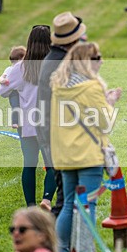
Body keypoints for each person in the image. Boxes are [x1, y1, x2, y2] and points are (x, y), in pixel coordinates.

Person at [51, 42, 121, 252]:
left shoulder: (60, 86)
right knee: (88, 207)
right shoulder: (90, 87)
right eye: (96, 57)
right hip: (88, 154)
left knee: (68, 204)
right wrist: (109, 103)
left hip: (65, 154)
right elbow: (105, 123)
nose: (101, 60)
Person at [0, 26, 57, 208]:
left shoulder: (20, 67)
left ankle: (31, 206)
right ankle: (47, 199)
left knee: (29, 165)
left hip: (28, 123)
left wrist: (10, 84)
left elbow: (3, 91)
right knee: (54, 166)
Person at [36, 12, 87, 216]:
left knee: (66, 194)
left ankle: (61, 242)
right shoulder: (61, 63)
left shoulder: (56, 57)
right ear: (73, 39)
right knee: (65, 197)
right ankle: (57, 243)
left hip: (52, 130)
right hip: (58, 133)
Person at [0, 45, 26, 133]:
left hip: (21, 91)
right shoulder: (9, 69)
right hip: (13, 92)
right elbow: (1, 77)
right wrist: (3, 80)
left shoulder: (23, 69)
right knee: (15, 106)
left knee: (20, 107)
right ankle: (15, 122)